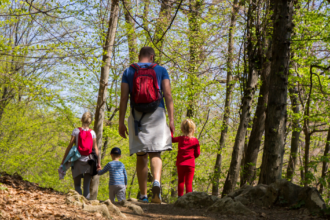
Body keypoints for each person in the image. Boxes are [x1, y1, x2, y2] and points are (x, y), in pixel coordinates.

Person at [119, 46, 174, 203]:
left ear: (139, 56)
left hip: (138, 116)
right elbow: (168, 94)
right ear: (152, 57)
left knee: (141, 155)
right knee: (155, 152)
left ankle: (143, 195)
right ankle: (156, 182)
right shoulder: (161, 70)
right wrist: (171, 120)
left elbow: (123, 98)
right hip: (157, 113)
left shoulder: (129, 71)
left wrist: (121, 122)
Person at [61, 112, 101, 199]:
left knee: (77, 185)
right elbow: (95, 149)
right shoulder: (92, 133)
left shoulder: (76, 131)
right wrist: (98, 163)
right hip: (89, 162)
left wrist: (64, 160)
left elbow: (70, 146)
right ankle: (86, 206)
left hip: (77, 161)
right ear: (90, 122)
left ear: (81, 120)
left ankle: (79, 205)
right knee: (86, 187)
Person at [172, 119, 200, 197]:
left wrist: (171, 130)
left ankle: (180, 197)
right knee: (189, 183)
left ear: (182, 129)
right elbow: (197, 153)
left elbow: (171, 139)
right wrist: (193, 156)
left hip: (180, 164)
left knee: (181, 181)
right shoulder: (195, 141)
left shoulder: (180, 139)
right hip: (190, 165)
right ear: (193, 129)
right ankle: (188, 198)